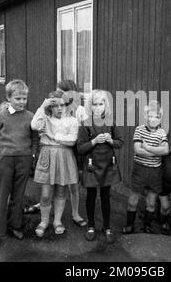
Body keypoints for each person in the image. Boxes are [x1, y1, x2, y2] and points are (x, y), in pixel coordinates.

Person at [23, 80, 87, 227]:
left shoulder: (78, 110)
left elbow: (81, 130)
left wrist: (55, 135)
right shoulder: (51, 111)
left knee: (71, 184)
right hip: (54, 149)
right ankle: (43, 207)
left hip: (74, 149)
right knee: (51, 181)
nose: (59, 97)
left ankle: (75, 214)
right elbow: (37, 124)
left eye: (62, 93)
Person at [0, 79, 38, 250]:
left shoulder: (31, 117)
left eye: (24, 98)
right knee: (2, 196)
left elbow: (35, 138)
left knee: (19, 195)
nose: (22, 102)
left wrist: (32, 154)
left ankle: (15, 225)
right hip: (5, 161)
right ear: (9, 98)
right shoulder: (0, 116)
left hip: (24, 160)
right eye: (18, 99)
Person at [77, 90, 124, 243]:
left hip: (107, 165)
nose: (98, 107)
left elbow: (120, 142)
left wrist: (111, 141)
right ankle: (91, 226)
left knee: (105, 197)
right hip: (92, 165)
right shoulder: (85, 124)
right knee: (91, 196)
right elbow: (80, 148)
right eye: (95, 104)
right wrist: (94, 141)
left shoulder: (110, 122)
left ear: (106, 105)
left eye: (101, 104)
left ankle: (107, 227)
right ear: (90, 106)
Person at [31, 90, 79, 237]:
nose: (59, 108)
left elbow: (72, 140)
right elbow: (34, 126)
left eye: (63, 105)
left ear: (67, 106)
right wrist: (42, 106)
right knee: (46, 194)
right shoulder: (45, 118)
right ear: (50, 107)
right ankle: (44, 221)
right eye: (55, 105)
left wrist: (53, 136)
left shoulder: (72, 121)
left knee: (61, 191)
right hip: (47, 155)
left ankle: (57, 221)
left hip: (64, 155)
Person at [123, 100, 169, 234]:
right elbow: (138, 150)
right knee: (133, 201)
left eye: (157, 117)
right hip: (140, 170)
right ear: (145, 116)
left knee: (151, 202)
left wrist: (148, 147)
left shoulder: (161, 132)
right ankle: (129, 225)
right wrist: (156, 151)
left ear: (160, 118)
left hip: (155, 172)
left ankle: (147, 225)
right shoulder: (139, 130)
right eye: (151, 116)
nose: (153, 119)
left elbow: (166, 150)